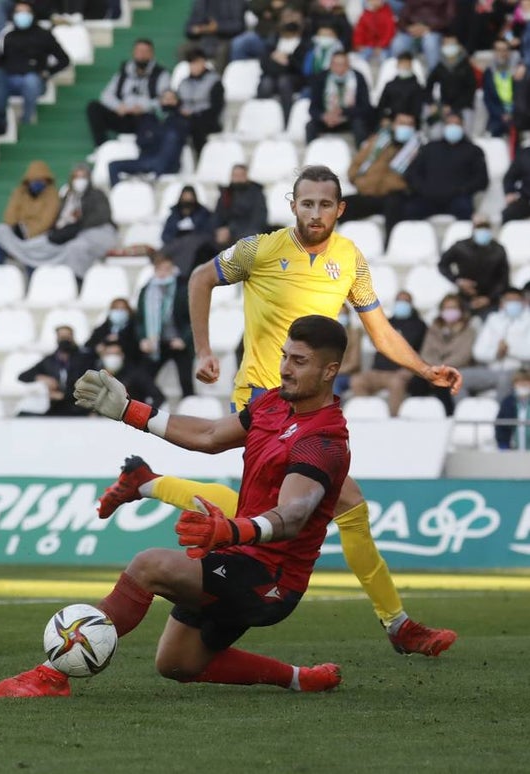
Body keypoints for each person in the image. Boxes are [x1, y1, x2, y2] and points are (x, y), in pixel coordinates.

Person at [98, 165, 461, 657]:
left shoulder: (349, 260)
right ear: (293, 204)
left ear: (340, 209)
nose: (315, 213)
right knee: (342, 504)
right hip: (261, 398)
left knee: (266, 506)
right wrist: (203, 349)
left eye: (324, 204)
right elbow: (202, 277)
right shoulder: (260, 249)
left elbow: (378, 330)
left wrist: (423, 368)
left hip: (307, 403)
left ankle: (146, 481)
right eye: (306, 203)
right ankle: (397, 624)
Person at [0, 315, 352, 698]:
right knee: (177, 663)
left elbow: (294, 514)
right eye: (284, 356)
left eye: (299, 361)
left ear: (330, 370)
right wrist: (131, 411)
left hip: (270, 580)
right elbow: (210, 434)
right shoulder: (274, 403)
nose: (285, 369)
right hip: (239, 557)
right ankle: (301, 679)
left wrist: (234, 530)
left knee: (150, 565)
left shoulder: (324, 438)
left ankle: (49, 676)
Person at [0, 163, 118, 286]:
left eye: (83, 177)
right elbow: (11, 214)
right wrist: (17, 228)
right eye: (77, 177)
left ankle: (76, 284)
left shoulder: (97, 195)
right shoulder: (68, 196)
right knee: (3, 232)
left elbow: (101, 216)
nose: (80, 181)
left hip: (92, 233)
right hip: (61, 233)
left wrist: (78, 224)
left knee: (73, 248)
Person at [341, 111, 419, 236]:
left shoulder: (416, 150)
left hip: (393, 196)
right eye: (402, 123)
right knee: (339, 207)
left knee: (394, 206)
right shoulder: (376, 142)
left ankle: (389, 247)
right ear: (393, 125)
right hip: (368, 193)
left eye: (409, 124)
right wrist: (358, 181)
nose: (405, 127)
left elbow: (416, 180)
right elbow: (355, 166)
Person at [349, 290, 427, 415]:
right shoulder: (385, 322)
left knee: (397, 384)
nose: (402, 304)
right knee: (357, 381)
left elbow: (422, 351)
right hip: (378, 371)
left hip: (398, 372)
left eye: (405, 301)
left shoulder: (419, 325)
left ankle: (393, 420)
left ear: (411, 304)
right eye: (399, 301)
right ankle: (369, 415)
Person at [402, 112, 487, 222]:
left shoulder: (473, 151)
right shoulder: (429, 148)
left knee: (465, 210)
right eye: (449, 124)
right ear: (444, 127)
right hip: (428, 197)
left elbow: (482, 179)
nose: (453, 127)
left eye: (456, 124)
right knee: (409, 210)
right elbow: (412, 173)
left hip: (457, 198)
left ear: (463, 127)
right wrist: (423, 189)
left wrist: (462, 190)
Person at [85, 39, 170, 147]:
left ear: (152, 54)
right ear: (133, 53)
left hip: (144, 117)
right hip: (123, 114)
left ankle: (145, 150)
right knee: (93, 107)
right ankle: (102, 148)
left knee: (150, 119)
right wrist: (118, 106)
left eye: (145, 51)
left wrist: (144, 107)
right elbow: (105, 95)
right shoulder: (124, 72)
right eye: (139, 51)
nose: (142, 55)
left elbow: (166, 100)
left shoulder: (161, 74)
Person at [0, 2, 70, 124]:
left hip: (34, 80)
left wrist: (48, 72)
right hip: (11, 79)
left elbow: (64, 60)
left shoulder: (44, 35)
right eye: (18, 12)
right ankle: (1, 122)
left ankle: (27, 119)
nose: (22, 15)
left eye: (26, 12)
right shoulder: (8, 36)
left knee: (30, 80)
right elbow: (2, 61)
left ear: (32, 14)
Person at [136, 253, 194, 404]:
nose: (162, 273)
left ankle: (190, 410)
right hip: (157, 342)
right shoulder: (146, 290)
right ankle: (157, 400)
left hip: (178, 342)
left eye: (166, 268)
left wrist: (184, 339)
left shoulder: (183, 288)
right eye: (159, 269)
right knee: (142, 375)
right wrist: (143, 338)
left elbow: (193, 318)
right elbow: (140, 319)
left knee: (186, 380)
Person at [107, 89, 189, 183]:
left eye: (171, 98)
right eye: (165, 98)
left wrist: (152, 135)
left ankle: (153, 176)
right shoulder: (148, 118)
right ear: (160, 101)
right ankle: (118, 193)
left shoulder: (181, 119)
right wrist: (159, 135)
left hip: (168, 165)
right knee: (113, 166)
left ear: (177, 101)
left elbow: (177, 138)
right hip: (145, 161)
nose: (168, 101)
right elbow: (140, 141)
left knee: (171, 136)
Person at [439, 215, 511, 319]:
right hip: (465, 297)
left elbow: (504, 279)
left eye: (485, 227)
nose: (482, 230)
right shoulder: (460, 247)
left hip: (490, 299)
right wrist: (457, 281)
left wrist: (488, 298)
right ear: (473, 228)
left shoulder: (499, 250)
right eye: (479, 227)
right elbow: (442, 264)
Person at [0, 160, 59, 265]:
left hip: (39, 236)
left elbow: (47, 220)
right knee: (0, 231)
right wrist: (16, 228)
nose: (37, 182)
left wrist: (29, 233)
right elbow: (10, 214)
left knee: (40, 244)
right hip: (19, 231)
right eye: (35, 180)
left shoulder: (52, 195)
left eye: (41, 180)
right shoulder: (19, 192)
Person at [17, 325, 94, 416]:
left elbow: (88, 386)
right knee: (22, 415)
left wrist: (63, 396)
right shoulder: (50, 360)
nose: (64, 340)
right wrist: (41, 377)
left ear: (72, 337)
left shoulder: (85, 359)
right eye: (62, 337)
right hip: (56, 408)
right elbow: (23, 376)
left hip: (78, 408)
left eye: (67, 336)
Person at [306, 50, 373, 147]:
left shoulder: (358, 77)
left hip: (349, 118)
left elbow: (365, 107)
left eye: (342, 64)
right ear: (330, 65)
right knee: (310, 126)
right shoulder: (321, 78)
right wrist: (325, 116)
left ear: (348, 65)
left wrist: (343, 112)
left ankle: (360, 154)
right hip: (327, 120)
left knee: (359, 124)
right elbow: (313, 108)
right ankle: (311, 156)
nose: (338, 68)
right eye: (335, 64)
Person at [175, 48, 224, 157]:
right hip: (185, 119)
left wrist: (194, 114)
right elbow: (178, 103)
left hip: (206, 119)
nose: (194, 66)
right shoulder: (184, 83)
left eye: (197, 62)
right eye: (192, 63)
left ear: (204, 62)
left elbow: (216, 107)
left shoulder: (214, 82)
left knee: (196, 126)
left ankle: (201, 158)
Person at [214, 163, 268, 242]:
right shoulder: (226, 194)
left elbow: (258, 219)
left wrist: (231, 231)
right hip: (225, 233)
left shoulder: (256, 194)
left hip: (246, 233)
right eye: (235, 175)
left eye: (241, 175)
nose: (238, 178)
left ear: (246, 176)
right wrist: (218, 230)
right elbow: (217, 216)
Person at [482, 38, 522, 138]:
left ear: (509, 52)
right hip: (498, 116)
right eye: (498, 50)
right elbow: (488, 98)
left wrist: (513, 113)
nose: (502, 53)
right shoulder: (489, 72)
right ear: (494, 52)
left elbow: (523, 95)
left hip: (518, 114)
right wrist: (501, 114)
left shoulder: (518, 71)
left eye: (504, 50)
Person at [376, 52, 425, 122]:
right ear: (397, 65)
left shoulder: (417, 87)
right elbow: (381, 107)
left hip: (410, 124)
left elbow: (418, 109)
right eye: (402, 63)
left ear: (411, 65)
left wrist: (408, 119)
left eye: (407, 64)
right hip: (392, 122)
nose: (404, 66)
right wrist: (387, 118)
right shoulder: (390, 86)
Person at [496, 368, 530, 450]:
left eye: (525, 382)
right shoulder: (507, 402)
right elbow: (500, 426)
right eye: (519, 382)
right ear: (514, 384)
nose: (522, 385)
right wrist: (503, 445)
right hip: (513, 452)